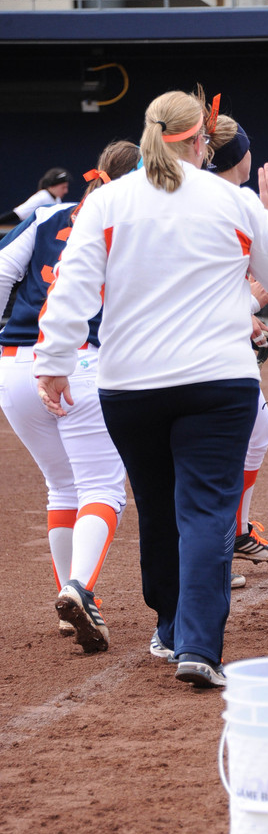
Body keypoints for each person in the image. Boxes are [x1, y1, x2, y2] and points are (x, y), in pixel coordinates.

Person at [34, 89, 268, 689]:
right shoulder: (230, 199)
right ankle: (198, 645)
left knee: (159, 506)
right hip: (217, 379)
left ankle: (167, 626)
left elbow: (73, 288)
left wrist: (53, 358)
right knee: (207, 509)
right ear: (200, 141)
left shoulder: (106, 201)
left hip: (130, 384)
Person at [0, 144, 135, 651]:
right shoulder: (133, 224)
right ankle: (79, 588)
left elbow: (1, 270)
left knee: (62, 488)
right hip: (79, 361)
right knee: (102, 486)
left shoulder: (48, 214)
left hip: (15, 364)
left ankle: (69, 594)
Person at [208, 114, 268, 570]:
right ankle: (220, 543)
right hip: (210, 353)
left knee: (256, 432)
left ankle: (234, 532)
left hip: (218, 344)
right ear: (242, 156)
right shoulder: (235, 201)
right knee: (212, 453)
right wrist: (248, 308)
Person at [0, 168, 73, 227]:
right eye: (63, 187)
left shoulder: (57, 199)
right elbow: (17, 214)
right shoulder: (41, 197)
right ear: (52, 186)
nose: (66, 191)